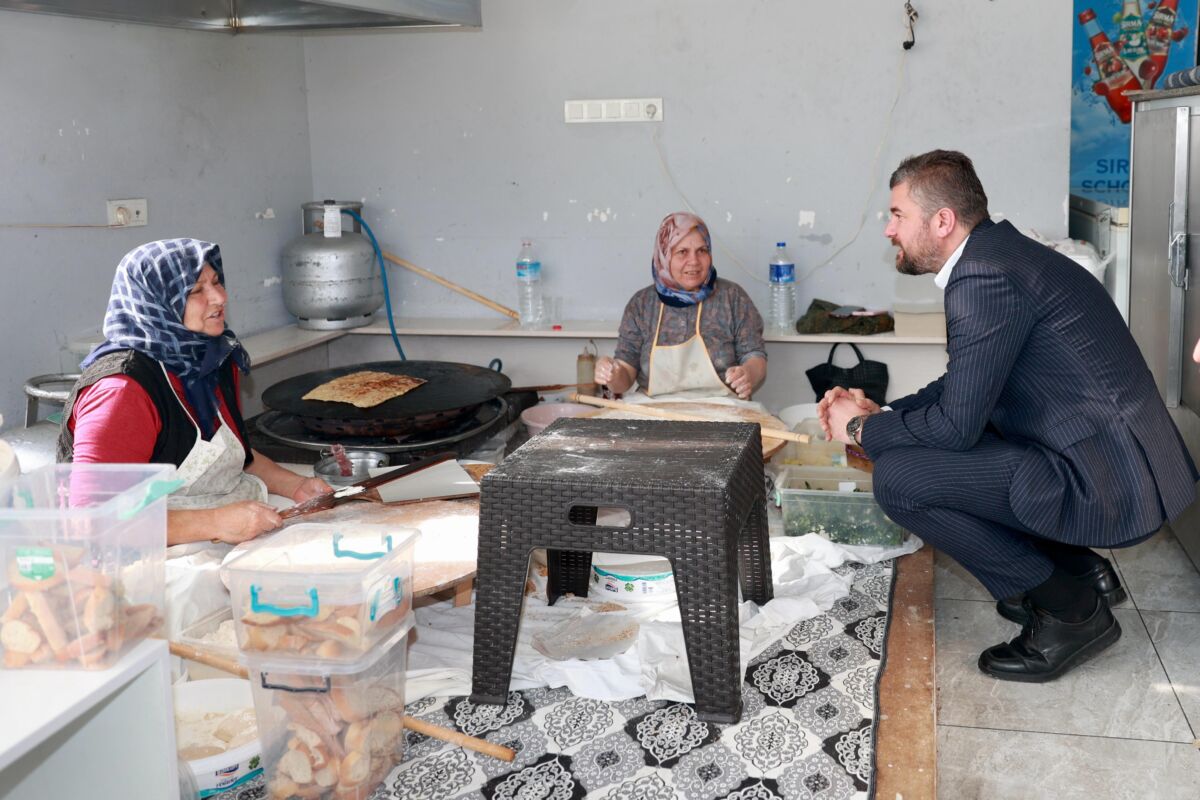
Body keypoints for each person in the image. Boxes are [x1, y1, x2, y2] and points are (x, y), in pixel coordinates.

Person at [820, 150, 1197, 682]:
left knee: (902, 479)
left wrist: (861, 429)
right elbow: (964, 384)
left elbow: (955, 426)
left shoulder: (982, 279)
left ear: (943, 221)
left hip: (1107, 476)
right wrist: (884, 412)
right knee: (915, 444)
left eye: (898, 214)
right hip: (1111, 454)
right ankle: (1075, 567)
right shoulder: (999, 255)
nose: (888, 229)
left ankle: (1072, 611)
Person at [57, 239, 330, 634]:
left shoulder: (210, 357)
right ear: (156, 301)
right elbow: (94, 524)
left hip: (227, 525)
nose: (219, 297)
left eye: (217, 282)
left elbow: (235, 453)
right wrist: (216, 522)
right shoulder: (122, 390)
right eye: (196, 290)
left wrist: (298, 485)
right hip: (143, 567)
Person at [594, 212, 767, 402]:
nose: (694, 261)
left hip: (723, 413)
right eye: (682, 252)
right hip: (655, 414)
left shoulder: (732, 297)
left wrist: (747, 374)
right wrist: (612, 374)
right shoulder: (642, 304)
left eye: (702, 250)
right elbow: (624, 377)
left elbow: (755, 356)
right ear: (664, 256)